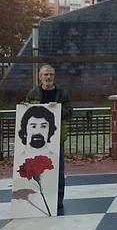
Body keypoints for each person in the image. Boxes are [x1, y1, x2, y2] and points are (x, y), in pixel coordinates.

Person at [25, 64, 73, 215]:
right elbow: (27, 112)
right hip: (37, 138)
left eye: (51, 75)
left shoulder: (62, 93)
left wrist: (57, 108)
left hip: (56, 136)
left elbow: (69, 112)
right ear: (40, 76)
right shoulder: (33, 93)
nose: (48, 78)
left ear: (54, 76)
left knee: (58, 170)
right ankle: (38, 197)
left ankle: (58, 201)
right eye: (45, 75)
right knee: (37, 167)